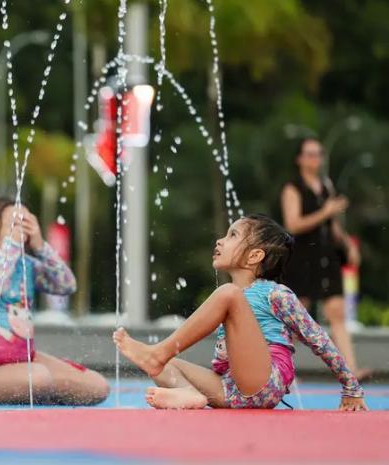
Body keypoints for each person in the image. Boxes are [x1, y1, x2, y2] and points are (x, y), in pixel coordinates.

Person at [113, 214, 367, 411]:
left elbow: (317, 338)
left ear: (254, 255)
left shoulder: (275, 293)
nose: (220, 240)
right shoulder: (231, 297)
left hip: (265, 381)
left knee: (228, 295)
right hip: (230, 388)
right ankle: (190, 393)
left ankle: (158, 353)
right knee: (165, 367)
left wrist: (351, 387)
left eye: (232, 235)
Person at [0, 195, 109, 405]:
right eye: (14, 225)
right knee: (39, 377)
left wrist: (40, 245)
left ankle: (36, 391)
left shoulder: (25, 265)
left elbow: (66, 284)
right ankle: (36, 390)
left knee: (96, 387)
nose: (22, 232)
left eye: (26, 225)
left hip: (25, 363)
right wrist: (11, 243)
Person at [280, 137, 367, 378]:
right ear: (299, 159)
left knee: (337, 312)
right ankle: (278, 368)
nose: (315, 159)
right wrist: (325, 211)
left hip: (326, 255)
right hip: (302, 256)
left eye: (318, 153)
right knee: (296, 318)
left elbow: (333, 225)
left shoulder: (326, 185)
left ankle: (350, 370)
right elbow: (293, 224)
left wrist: (348, 245)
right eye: (310, 154)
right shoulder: (292, 188)